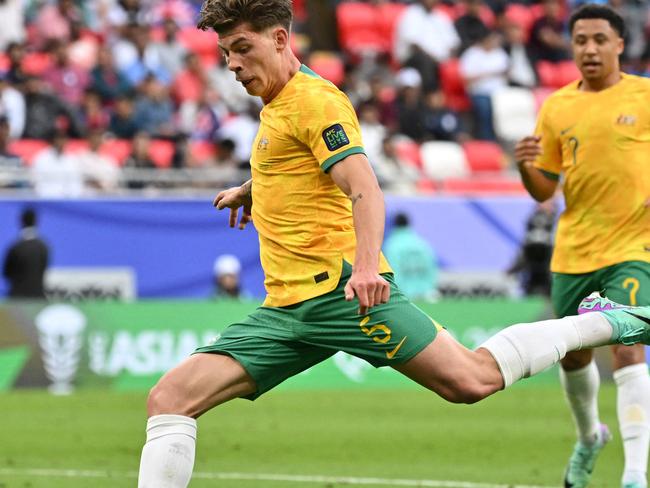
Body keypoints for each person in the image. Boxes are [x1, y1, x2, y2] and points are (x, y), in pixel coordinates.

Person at [136, 2, 650, 487]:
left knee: (471, 381)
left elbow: (364, 187)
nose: (232, 63)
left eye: (242, 47)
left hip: (341, 295)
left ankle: (606, 322)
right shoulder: (276, 104)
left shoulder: (315, 101)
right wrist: (257, 190)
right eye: (226, 52)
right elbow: (305, 166)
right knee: (170, 398)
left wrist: (365, 269)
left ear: (279, 38)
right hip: (285, 310)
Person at [514, 5, 650, 488]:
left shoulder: (645, 95)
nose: (589, 49)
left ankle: (635, 474)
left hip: (633, 247)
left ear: (619, 44)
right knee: (573, 356)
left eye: (598, 39)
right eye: (580, 41)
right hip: (573, 252)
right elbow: (545, 189)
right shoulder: (557, 107)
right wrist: (526, 167)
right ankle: (590, 436)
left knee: (628, 346)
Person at [383, 213, 438, 301]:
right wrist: (429, 288)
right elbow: (431, 268)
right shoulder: (422, 243)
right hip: (426, 294)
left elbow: (393, 271)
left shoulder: (391, 244)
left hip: (403, 295)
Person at [2, 208, 49, 299]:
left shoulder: (15, 248)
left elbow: (7, 273)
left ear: (21, 221)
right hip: (37, 297)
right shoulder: (43, 247)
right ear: (36, 222)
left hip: (17, 298)